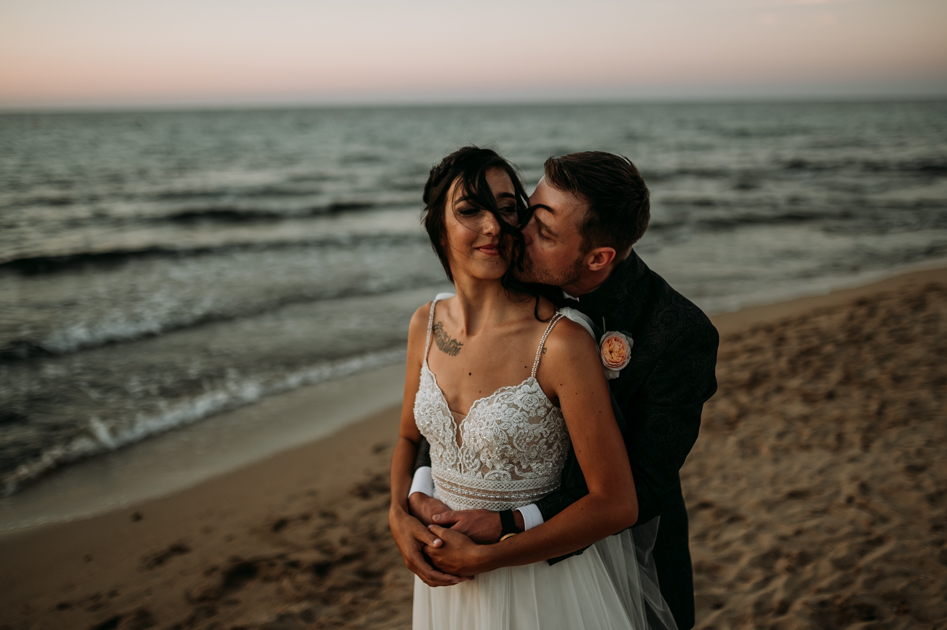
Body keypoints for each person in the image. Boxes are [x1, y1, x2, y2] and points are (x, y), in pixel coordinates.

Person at [399, 151, 719, 630]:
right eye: (528, 212)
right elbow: (452, 410)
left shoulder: (676, 334)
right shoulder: (509, 280)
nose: (513, 231)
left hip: (615, 553)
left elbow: (641, 489)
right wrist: (416, 496)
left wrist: (508, 523)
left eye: (543, 231)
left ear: (597, 258)